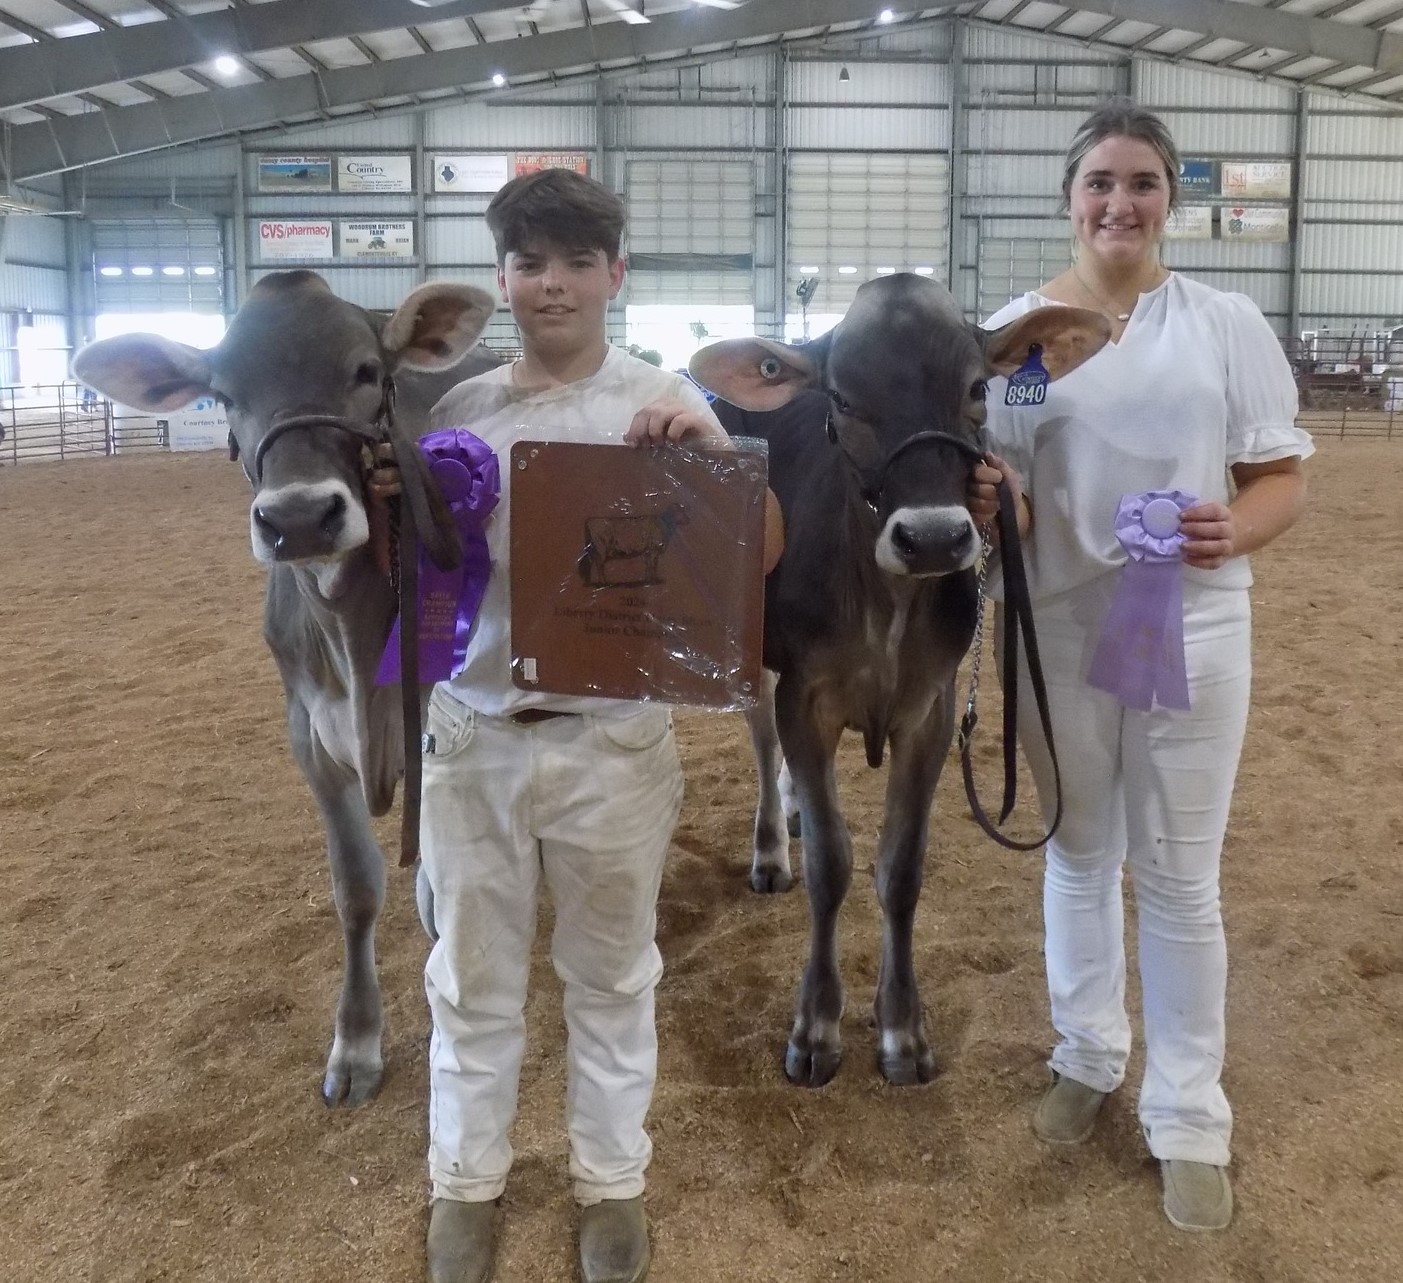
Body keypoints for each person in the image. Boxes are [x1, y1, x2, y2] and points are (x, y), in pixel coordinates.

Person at [967, 97, 1312, 1232]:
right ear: (1068, 198)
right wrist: (993, 504)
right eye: (1100, 182)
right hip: (1057, 626)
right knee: (1075, 851)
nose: (1120, 202)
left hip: (1194, 624)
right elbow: (1009, 491)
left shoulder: (1221, 322)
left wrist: (1234, 526)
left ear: (1171, 200)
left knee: (1174, 872)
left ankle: (1186, 1110)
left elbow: (1278, 474)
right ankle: (1084, 1049)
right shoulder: (1019, 337)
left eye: (1141, 183)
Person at [412, 168, 730, 1283]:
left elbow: (753, 553)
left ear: (615, 274)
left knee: (611, 972)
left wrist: (710, 455)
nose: (552, 283)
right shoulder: (455, 414)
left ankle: (610, 1179)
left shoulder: (668, 397)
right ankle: (465, 1182)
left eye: (575, 262)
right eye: (529, 262)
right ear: (501, 278)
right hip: (476, 733)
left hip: (612, 741)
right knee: (472, 973)